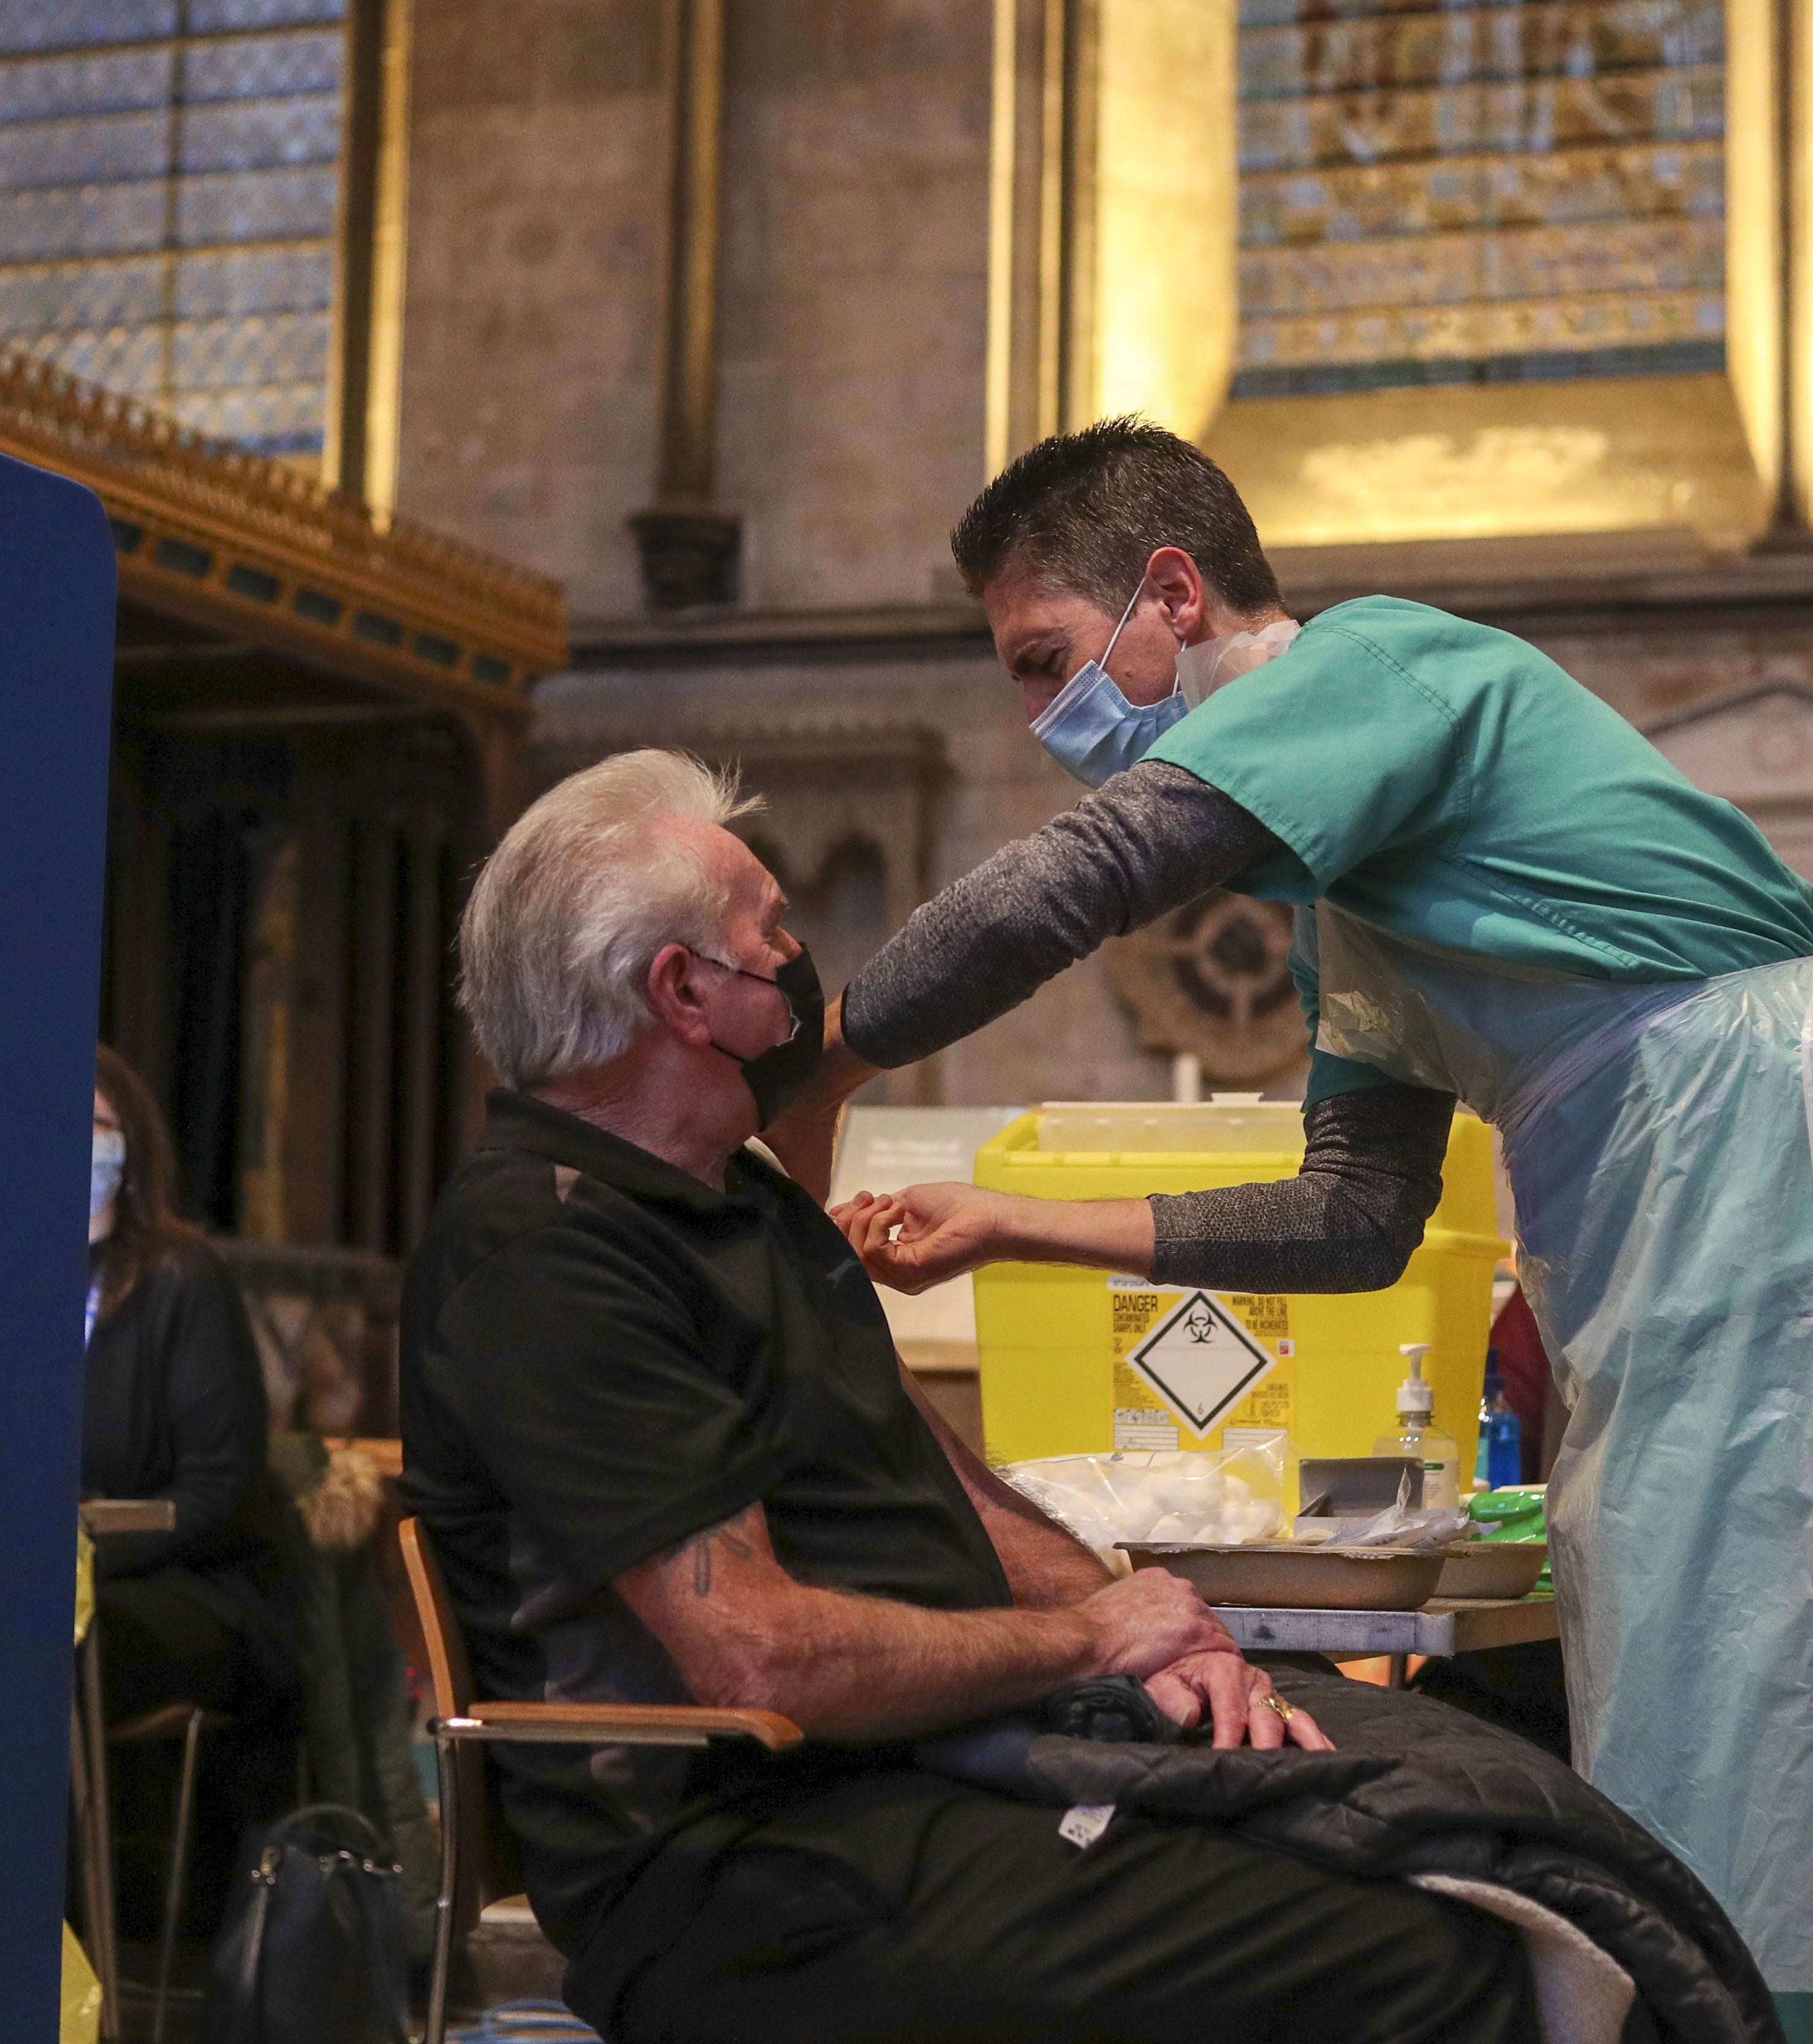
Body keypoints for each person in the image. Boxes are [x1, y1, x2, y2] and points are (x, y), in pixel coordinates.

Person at [775, 417, 1813, 2044]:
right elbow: (1346, 1220)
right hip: (1705, 1277)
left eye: (1047, 661)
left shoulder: (1379, 672)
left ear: (1169, 594)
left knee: (1744, 1818)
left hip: (1783, 1237)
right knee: (1690, 1798)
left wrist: (803, 1055)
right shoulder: (1362, 897)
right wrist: (1005, 1223)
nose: (1047, 720)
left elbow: (1083, 878)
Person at [398, 750, 1548, 2044]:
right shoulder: (545, 1254)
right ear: (681, 993)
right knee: (1413, 1952)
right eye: (766, 928)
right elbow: (760, 1651)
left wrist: (1175, 1632)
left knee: (1479, 1807)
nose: (794, 954)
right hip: (742, 1865)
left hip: (909, 1771)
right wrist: (1091, 1639)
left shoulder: (743, 1194)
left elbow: (935, 1473)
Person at [82, 1046, 304, 1936]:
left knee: (49, 1655)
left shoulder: (181, 1277)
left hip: (189, 1590)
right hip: (57, 1587)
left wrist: (91, 1550)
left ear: (131, 1144)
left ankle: (73, 1944)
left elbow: (217, 1492)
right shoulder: (2, 1286)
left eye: (93, 1126)